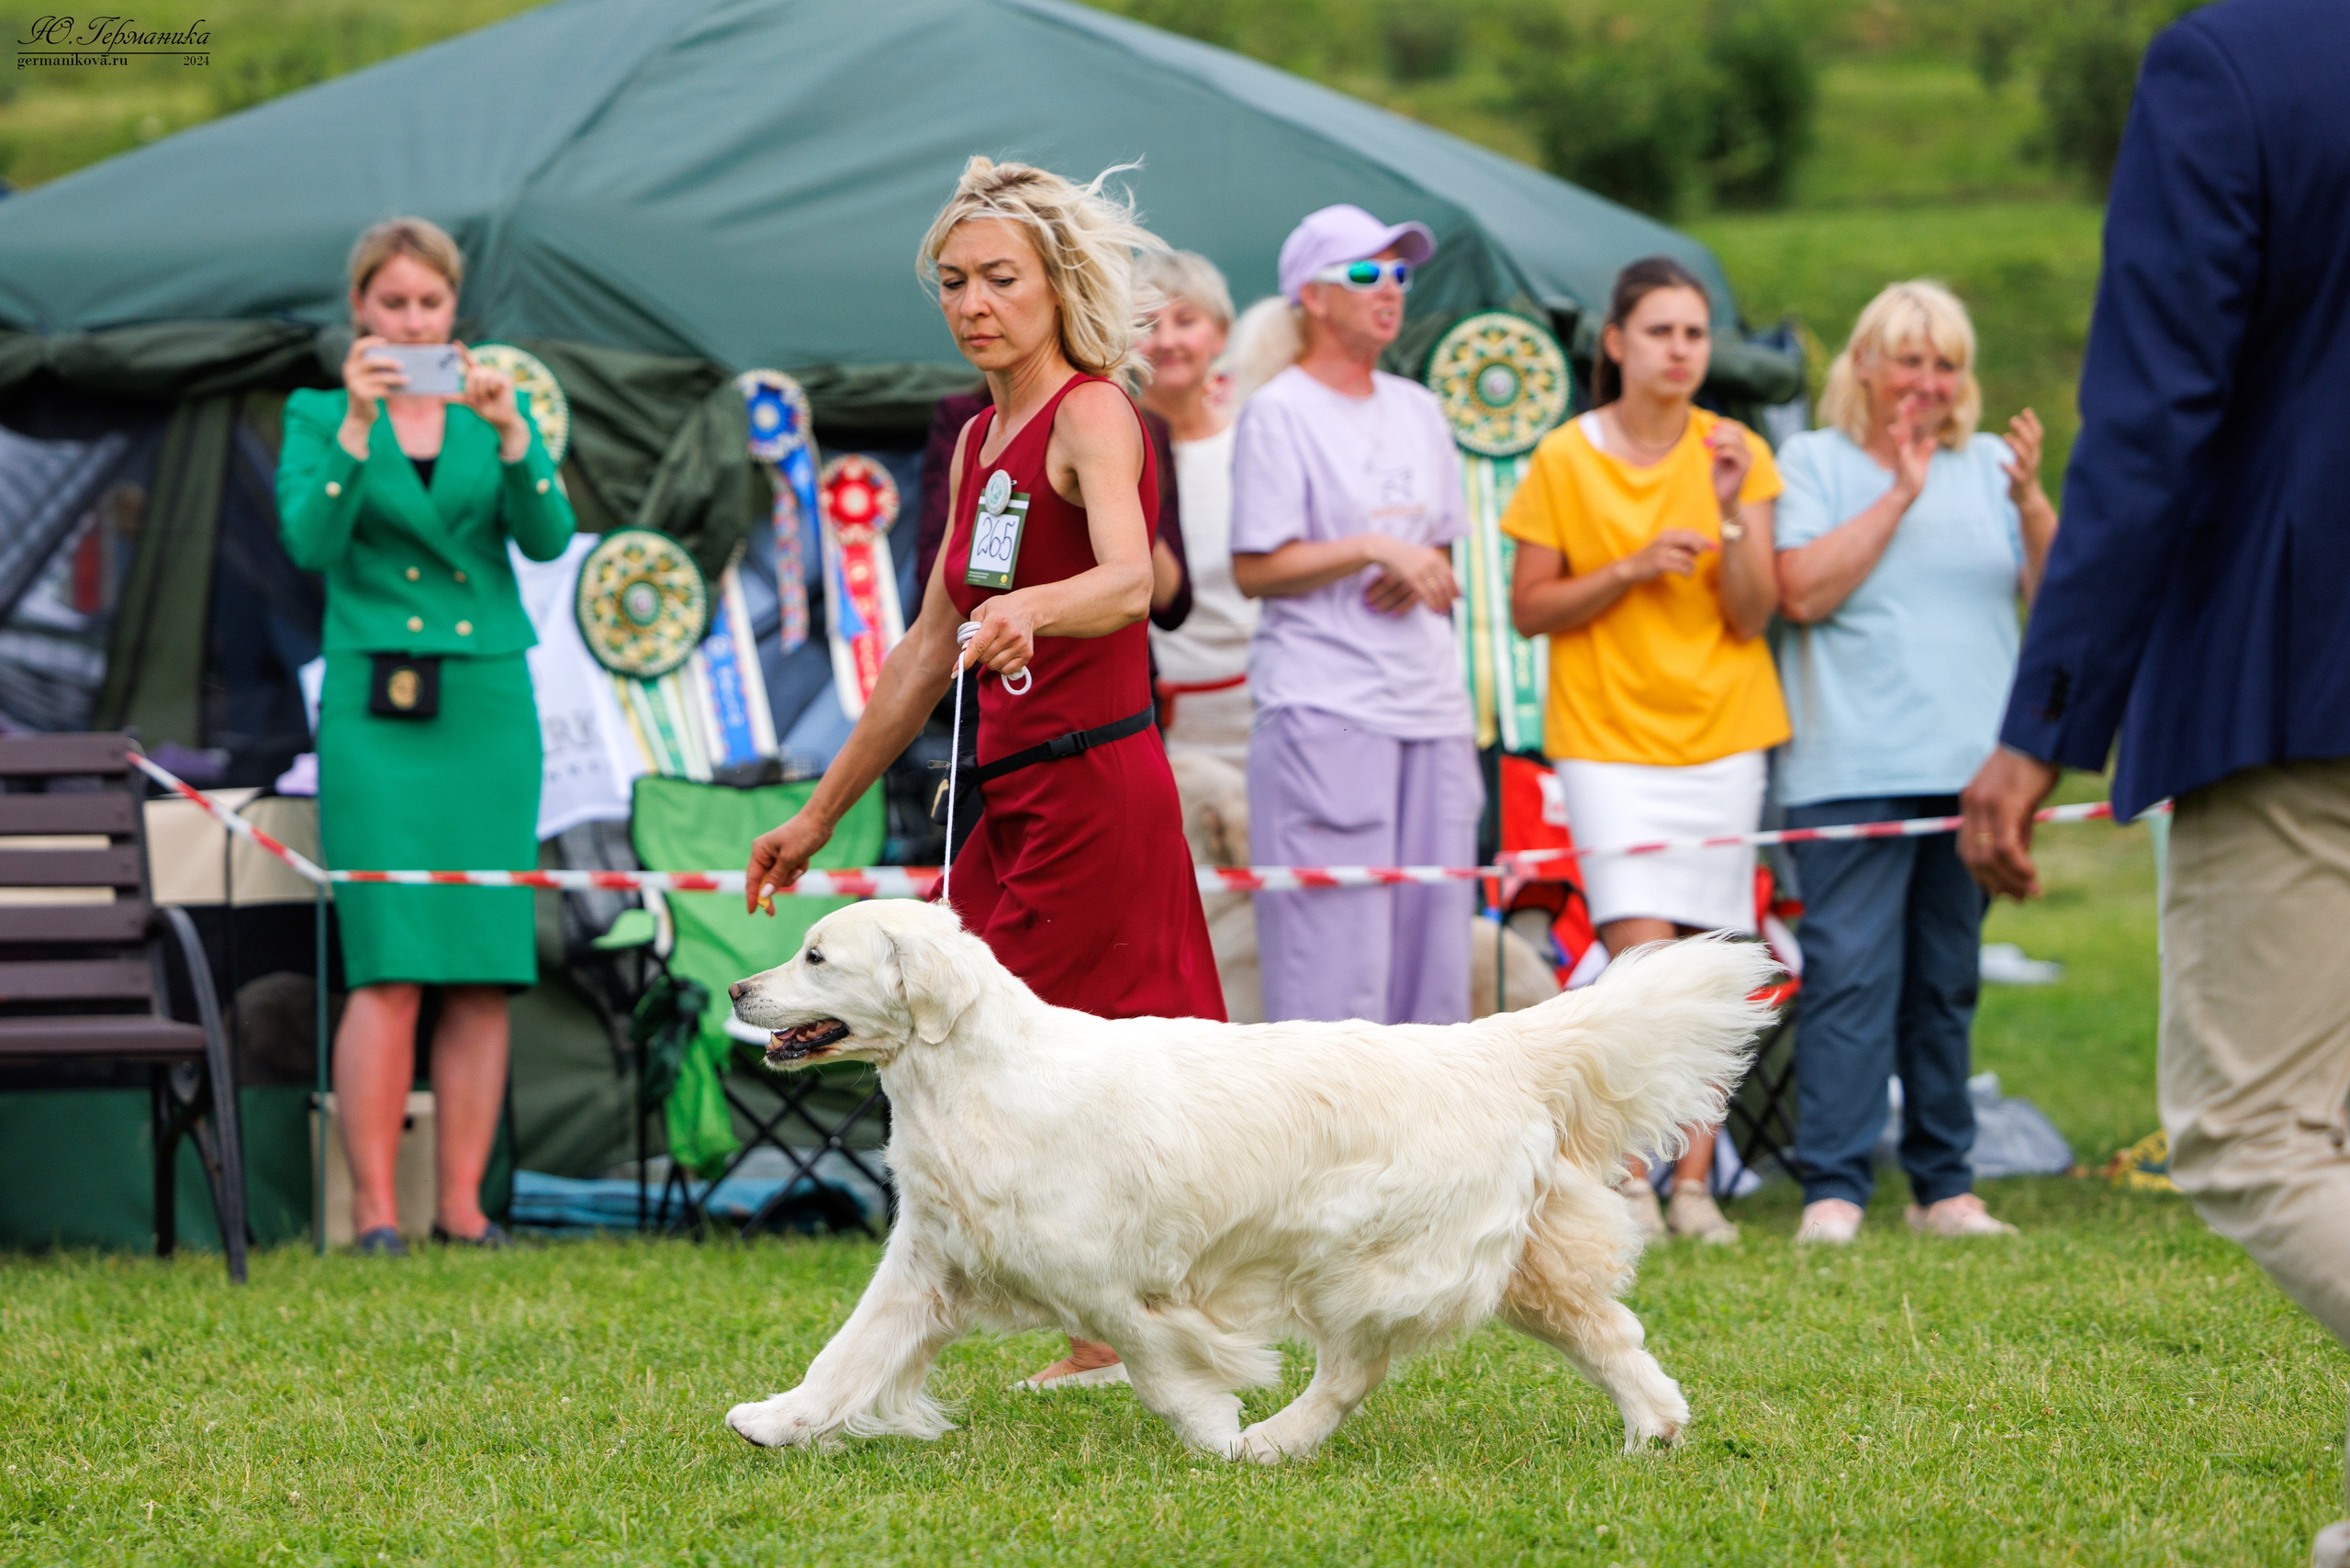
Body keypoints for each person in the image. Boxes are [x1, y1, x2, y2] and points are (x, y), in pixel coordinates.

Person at [1954, 5, 2350, 1561]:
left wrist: (2045, 713)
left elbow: (2152, 421)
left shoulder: (2232, 64)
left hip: (2305, 673)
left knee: (2251, 1134)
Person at [744, 156, 1222, 1391]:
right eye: (953, 282)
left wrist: (1037, 613)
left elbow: (1133, 579)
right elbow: (920, 651)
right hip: (1002, 800)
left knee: (1091, 1064)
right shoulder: (975, 444)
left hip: (1099, 788)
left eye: (999, 278)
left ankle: (1114, 1332)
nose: (973, 303)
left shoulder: (1094, 412)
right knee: (987, 1063)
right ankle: (1099, 1324)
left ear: (1058, 283)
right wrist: (816, 813)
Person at [276, 217, 575, 1253]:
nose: (412, 320)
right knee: (389, 960)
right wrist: (359, 428)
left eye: (429, 305)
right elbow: (308, 540)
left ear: (456, 312)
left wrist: (509, 434)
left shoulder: (495, 407)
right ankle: (375, 1211)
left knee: (484, 962)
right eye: (393, 303)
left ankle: (462, 1205)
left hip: (486, 707)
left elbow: (545, 537)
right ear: (360, 308)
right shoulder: (318, 413)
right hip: (376, 711)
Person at [1501, 255, 1784, 1246]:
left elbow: (1754, 615)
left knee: (1711, 968)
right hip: (1607, 740)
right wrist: (1628, 565)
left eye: (1695, 335)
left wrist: (1733, 509)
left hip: (1723, 735)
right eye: (1659, 331)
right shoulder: (1564, 458)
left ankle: (1695, 1189)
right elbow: (1528, 607)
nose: (1679, 351)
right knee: (1642, 960)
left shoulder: (1736, 447)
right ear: (1615, 342)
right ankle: (1627, 1180)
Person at [1771, 282, 2057, 1247]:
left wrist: (2028, 504)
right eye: (1908, 359)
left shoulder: (1989, 468)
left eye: (1945, 364)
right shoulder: (1809, 461)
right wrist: (1900, 490)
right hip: (1846, 768)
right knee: (1850, 976)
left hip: (1973, 772)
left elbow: (2057, 604)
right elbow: (1800, 592)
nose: (1928, 382)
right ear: (1862, 364)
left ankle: (1943, 1185)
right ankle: (1834, 1189)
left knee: (1945, 979)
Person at [1226, 205, 1483, 1029]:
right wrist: (1374, 546)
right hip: (1327, 712)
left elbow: (1440, 554)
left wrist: (1418, 569)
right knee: (1335, 977)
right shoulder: (1279, 411)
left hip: (1432, 710)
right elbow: (1255, 567)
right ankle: (1326, 1159)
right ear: (1314, 296)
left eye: (1401, 274)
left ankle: (1434, 1161)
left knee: (1434, 967)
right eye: (1367, 274)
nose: (1392, 290)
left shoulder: (1419, 407)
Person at [1136, 250, 1255, 767]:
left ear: (1220, 335)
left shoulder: (1256, 438)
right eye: (1146, 324)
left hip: (1263, 709)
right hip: (1155, 723)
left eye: (1186, 321)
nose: (1166, 341)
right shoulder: (1098, 446)